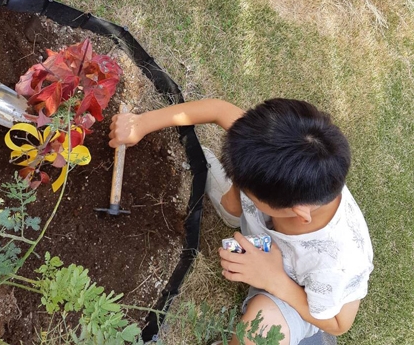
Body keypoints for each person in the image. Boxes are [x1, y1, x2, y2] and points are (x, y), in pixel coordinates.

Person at [109, 98, 373, 345]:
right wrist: (142, 123)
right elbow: (218, 110)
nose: (241, 184)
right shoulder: (269, 147)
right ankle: (231, 209)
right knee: (239, 189)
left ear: (298, 213)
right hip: (267, 247)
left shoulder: (338, 263)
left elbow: (339, 323)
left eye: (249, 191)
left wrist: (273, 279)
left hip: (293, 288)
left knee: (257, 332)